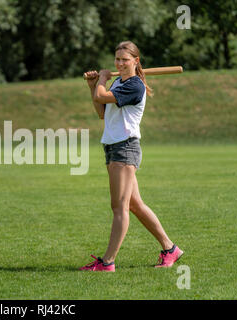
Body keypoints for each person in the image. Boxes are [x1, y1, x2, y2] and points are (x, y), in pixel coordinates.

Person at [80, 41, 183, 272]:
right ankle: (170, 249)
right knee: (134, 205)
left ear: (136, 61)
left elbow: (102, 96)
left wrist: (102, 80)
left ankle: (107, 262)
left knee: (119, 207)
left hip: (125, 149)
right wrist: (92, 86)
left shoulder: (135, 86)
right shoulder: (119, 83)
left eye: (125, 59)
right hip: (113, 147)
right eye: (117, 59)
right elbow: (102, 112)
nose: (119, 63)